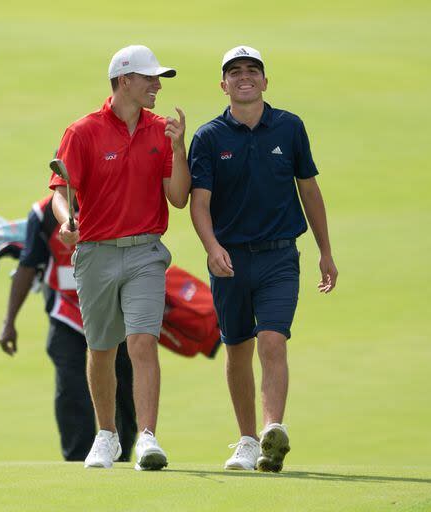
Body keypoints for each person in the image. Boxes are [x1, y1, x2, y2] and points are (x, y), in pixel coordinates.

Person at [188, 46, 338, 473]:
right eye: (234, 72)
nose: (244, 77)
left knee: (273, 339)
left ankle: (274, 430)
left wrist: (326, 252)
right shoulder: (209, 137)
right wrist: (212, 248)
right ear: (224, 85)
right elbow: (200, 203)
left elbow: (309, 190)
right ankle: (248, 440)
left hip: (279, 257)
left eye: (252, 70)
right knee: (237, 349)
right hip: (230, 260)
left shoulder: (289, 127)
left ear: (265, 81)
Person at [49, 45, 191, 470]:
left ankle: (147, 437)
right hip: (95, 253)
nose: (157, 86)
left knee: (143, 341)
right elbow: (60, 192)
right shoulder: (83, 131)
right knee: (101, 347)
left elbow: (179, 198)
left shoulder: (161, 130)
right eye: (150, 79)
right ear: (124, 80)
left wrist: (179, 148)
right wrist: (66, 221)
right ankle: (107, 434)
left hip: (146, 251)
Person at [0, 194, 137, 461]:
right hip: (66, 313)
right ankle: (77, 459)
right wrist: (9, 322)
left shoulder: (112, 198)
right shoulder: (42, 215)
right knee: (71, 391)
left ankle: (121, 456)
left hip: (113, 309)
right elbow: (27, 266)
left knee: (122, 386)